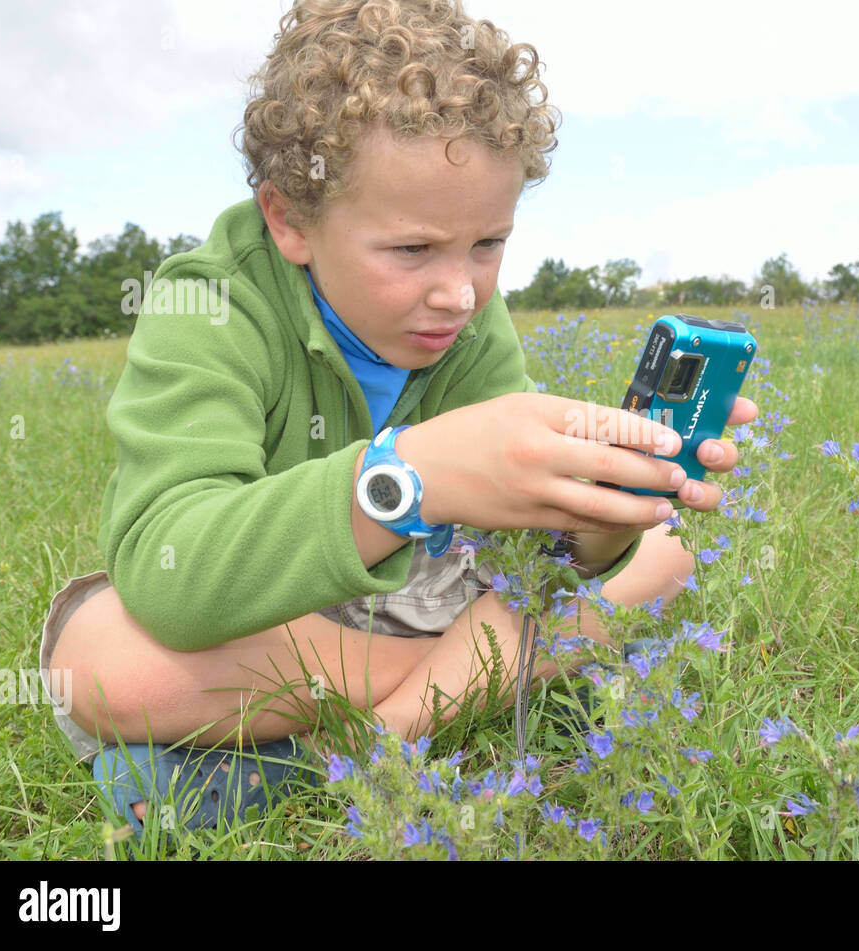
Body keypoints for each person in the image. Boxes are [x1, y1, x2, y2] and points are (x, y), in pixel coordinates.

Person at [38, 0, 756, 838]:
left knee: (661, 554)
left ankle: (353, 750)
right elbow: (175, 575)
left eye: (488, 244)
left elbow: (526, 562)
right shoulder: (208, 303)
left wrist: (596, 512)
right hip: (271, 606)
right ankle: (482, 690)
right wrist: (409, 477)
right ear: (289, 219)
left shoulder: (469, 319)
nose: (459, 292)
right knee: (96, 660)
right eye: (412, 250)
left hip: (424, 590)